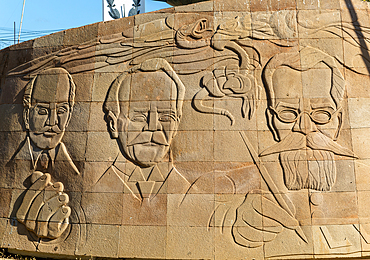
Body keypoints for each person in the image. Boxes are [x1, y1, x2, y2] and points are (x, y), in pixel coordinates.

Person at [13, 67, 84, 242]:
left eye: (61, 111)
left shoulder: (78, 173)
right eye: (43, 111)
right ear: (27, 113)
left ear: (69, 115)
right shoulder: (9, 166)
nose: (52, 122)